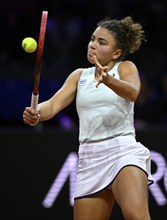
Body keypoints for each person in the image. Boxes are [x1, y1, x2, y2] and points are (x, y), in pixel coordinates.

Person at [23, 16, 154, 220]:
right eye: (93, 39)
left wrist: (108, 79)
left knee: (137, 217)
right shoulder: (79, 76)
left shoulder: (125, 67)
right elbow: (52, 105)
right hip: (89, 158)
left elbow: (133, 92)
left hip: (122, 152)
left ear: (116, 53)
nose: (93, 45)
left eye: (102, 42)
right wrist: (36, 112)